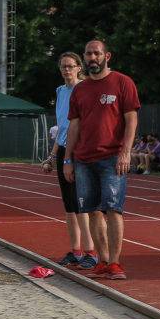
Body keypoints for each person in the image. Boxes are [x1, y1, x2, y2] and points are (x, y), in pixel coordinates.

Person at [64, 39, 140, 280]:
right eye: (88, 54)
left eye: (96, 53)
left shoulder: (123, 83)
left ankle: (116, 263)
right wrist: (68, 158)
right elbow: (73, 126)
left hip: (112, 158)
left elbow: (131, 120)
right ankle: (103, 260)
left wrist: (126, 152)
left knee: (113, 210)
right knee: (93, 211)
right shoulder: (80, 89)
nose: (92, 58)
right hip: (83, 159)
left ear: (107, 56)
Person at [43, 52, 96, 269]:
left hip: (80, 149)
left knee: (82, 203)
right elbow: (62, 128)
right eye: (63, 67)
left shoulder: (85, 89)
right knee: (69, 205)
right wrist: (52, 155)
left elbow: (82, 124)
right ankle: (76, 250)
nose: (66, 70)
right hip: (64, 147)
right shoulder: (60, 91)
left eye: (70, 66)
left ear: (78, 68)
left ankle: (91, 251)